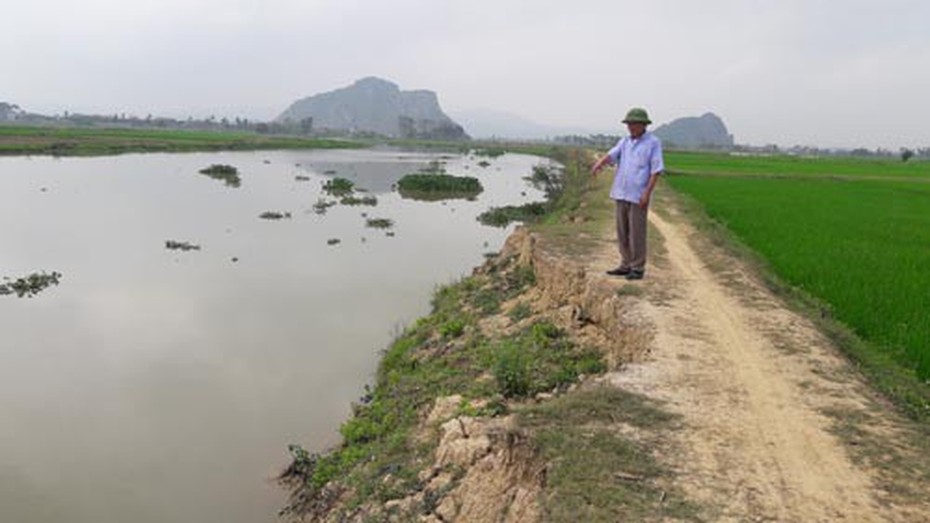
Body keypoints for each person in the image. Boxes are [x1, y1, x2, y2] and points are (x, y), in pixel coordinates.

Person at [590, 107, 665, 280]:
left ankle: (638, 268)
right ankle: (625, 264)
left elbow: (656, 170)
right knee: (622, 231)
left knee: (637, 232)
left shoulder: (653, 143)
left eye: (634, 124)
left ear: (643, 125)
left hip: (638, 195)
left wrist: (647, 193)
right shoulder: (624, 142)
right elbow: (611, 155)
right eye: (629, 124)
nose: (631, 127)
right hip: (621, 192)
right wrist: (598, 164)